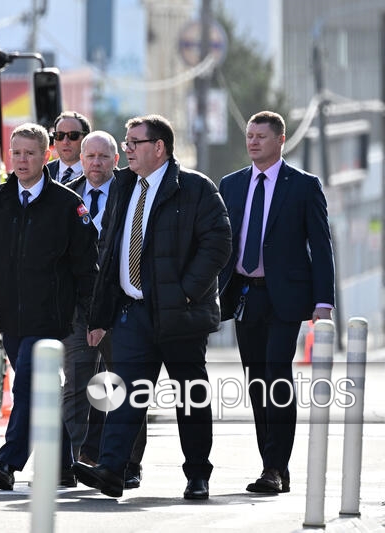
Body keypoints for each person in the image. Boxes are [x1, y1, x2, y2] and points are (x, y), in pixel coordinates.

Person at [74, 114, 232, 500]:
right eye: (126, 143)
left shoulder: (195, 189)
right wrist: (101, 314)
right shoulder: (124, 186)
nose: (126, 149)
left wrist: (186, 292)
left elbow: (219, 244)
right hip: (133, 312)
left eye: (133, 143)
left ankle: (197, 474)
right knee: (125, 393)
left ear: (158, 147)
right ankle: (112, 468)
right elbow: (109, 253)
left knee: (189, 397)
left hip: (181, 314)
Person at [0, 122, 98, 492]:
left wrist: (95, 317)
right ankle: (64, 465)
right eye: (16, 152)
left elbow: (87, 267)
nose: (21, 160)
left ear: (45, 155)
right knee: (42, 392)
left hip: (51, 318)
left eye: (30, 153)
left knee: (28, 388)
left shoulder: (68, 205)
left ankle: (8, 462)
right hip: (12, 318)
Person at [218, 110, 335, 494]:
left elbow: (321, 244)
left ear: (280, 140)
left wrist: (323, 301)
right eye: (249, 136)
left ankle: (273, 467)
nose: (253, 142)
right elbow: (221, 243)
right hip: (244, 295)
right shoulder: (231, 185)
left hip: (285, 296)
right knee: (256, 382)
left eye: (261, 136)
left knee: (276, 375)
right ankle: (274, 466)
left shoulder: (303, 185)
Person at [62, 131, 147, 490]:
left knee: (123, 385)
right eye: (90, 156)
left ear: (116, 159)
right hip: (78, 306)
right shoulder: (65, 196)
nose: (96, 163)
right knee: (77, 384)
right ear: (81, 159)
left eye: (103, 156)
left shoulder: (132, 192)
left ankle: (128, 464)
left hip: (119, 304)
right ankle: (69, 462)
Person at [46, 111, 91, 184]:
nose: (65, 142)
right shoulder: (41, 173)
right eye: (59, 135)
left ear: (86, 139)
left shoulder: (98, 172)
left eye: (73, 135)